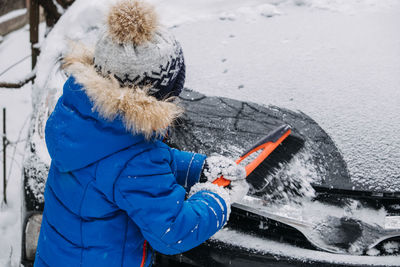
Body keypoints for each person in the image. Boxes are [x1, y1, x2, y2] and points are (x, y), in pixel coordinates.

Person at [34, 1, 249, 266]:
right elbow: (173, 232)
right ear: (154, 97)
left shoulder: (87, 121)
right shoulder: (133, 161)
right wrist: (217, 197)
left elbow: (135, 163)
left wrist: (198, 168)